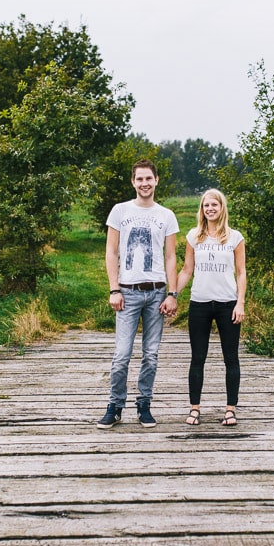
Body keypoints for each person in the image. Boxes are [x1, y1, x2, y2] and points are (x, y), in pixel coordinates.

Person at [97, 159, 179, 429]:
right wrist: (114, 288)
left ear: (157, 180)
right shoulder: (120, 211)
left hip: (156, 293)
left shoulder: (166, 215)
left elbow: (170, 256)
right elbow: (111, 251)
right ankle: (115, 405)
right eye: (139, 179)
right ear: (133, 182)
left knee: (151, 355)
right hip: (128, 293)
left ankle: (144, 404)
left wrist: (172, 293)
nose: (145, 183)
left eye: (149, 178)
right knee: (122, 354)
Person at [175, 188, 246, 427]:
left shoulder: (235, 238)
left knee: (231, 358)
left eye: (214, 205)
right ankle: (194, 409)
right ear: (202, 209)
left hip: (227, 304)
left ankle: (230, 410)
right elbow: (187, 270)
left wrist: (240, 303)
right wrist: (172, 294)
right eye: (206, 205)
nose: (210, 209)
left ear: (221, 207)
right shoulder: (193, 236)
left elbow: (241, 272)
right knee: (198, 357)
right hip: (200, 303)